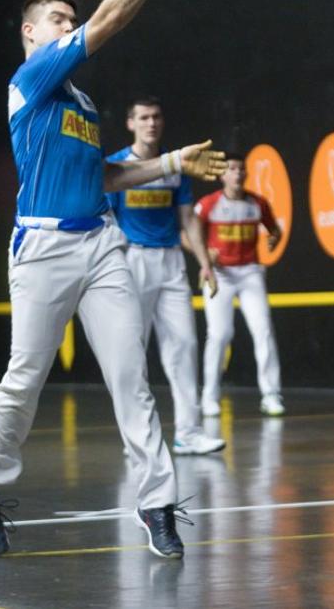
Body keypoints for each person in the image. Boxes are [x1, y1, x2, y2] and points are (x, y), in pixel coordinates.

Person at [0, 0, 225, 560]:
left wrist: (168, 162)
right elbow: (108, 21)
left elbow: (104, 177)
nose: (68, 26)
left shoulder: (79, 102)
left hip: (103, 244)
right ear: (31, 33)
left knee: (130, 375)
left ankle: (157, 502)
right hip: (43, 250)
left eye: (69, 21)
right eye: (57, 20)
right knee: (24, 378)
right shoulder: (31, 79)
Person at [106, 98, 225, 456]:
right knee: (132, 351)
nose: (151, 123)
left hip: (173, 263)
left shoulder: (176, 166)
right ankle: (136, 436)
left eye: (156, 116)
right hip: (134, 262)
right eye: (143, 117)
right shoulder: (117, 166)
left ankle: (188, 432)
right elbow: (108, 218)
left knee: (185, 345)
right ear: (131, 123)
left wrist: (204, 262)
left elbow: (188, 218)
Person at [194, 155, 286, 417]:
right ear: (222, 175)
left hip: (250, 274)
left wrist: (273, 240)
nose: (237, 174)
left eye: (241, 169)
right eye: (231, 169)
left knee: (263, 330)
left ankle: (271, 395)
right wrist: (204, 256)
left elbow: (275, 230)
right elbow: (189, 233)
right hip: (219, 275)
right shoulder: (208, 204)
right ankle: (209, 396)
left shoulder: (257, 203)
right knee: (220, 334)